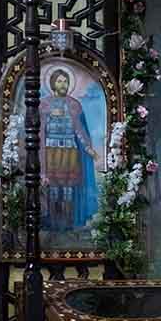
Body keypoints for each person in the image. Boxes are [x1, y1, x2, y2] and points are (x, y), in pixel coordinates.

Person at [39, 68, 98, 231]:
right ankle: (52, 222)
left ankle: (68, 222)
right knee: (52, 187)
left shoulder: (74, 104)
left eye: (65, 81)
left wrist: (87, 147)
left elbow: (79, 129)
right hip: (50, 151)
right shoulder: (44, 105)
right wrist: (50, 114)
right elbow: (39, 130)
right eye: (59, 81)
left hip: (70, 152)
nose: (63, 84)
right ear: (52, 84)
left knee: (68, 188)